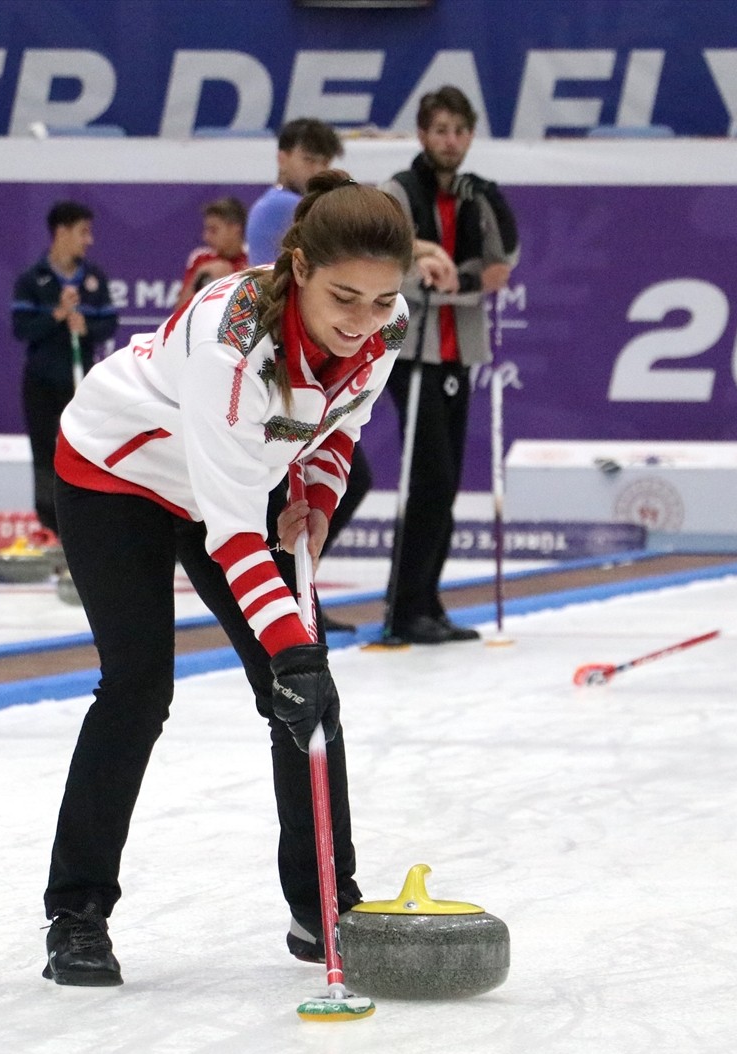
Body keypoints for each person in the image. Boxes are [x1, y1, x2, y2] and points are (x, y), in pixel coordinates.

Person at [41, 171, 413, 987]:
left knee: (305, 703)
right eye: (344, 299)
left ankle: (325, 905)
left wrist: (315, 496)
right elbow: (235, 531)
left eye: (381, 303)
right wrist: (298, 656)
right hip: (118, 474)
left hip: (228, 479)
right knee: (141, 685)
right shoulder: (233, 344)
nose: (362, 324)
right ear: (300, 268)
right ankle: (76, 913)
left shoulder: (384, 326)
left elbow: (339, 424)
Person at [381, 86, 520, 644]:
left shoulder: (474, 195)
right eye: (440, 130)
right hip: (410, 349)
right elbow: (381, 256)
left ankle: (427, 601)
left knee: (447, 482)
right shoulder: (398, 191)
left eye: (460, 131)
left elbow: (502, 264)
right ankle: (404, 605)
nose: (450, 141)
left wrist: (458, 277)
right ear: (422, 134)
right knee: (430, 478)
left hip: (458, 350)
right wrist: (427, 270)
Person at [248, 118, 370, 632]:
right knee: (294, 491)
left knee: (315, 488)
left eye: (325, 162)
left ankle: (299, 590)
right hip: (280, 360)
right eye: (310, 160)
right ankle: (291, 593)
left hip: (294, 356)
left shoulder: (281, 209)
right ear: (282, 157)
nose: (317, 170)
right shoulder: (278, 208)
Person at [11, 200, 117, 536]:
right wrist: (56, 314)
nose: (89, 240)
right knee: (44, 452)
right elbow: (21, 328)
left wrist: (86, 328)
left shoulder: (94, 279)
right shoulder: (33, 279)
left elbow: (109, 323)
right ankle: (49, 527)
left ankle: (86, 525)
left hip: (81, 383)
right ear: (62, 232)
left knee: (86, 451)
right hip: (42, 381)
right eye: (83, 232)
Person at [175, 196, 249, 311]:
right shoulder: (201, 258)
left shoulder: (254, 260)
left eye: (213, 230)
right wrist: (199, 276)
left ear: (235, 229)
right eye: (206, 230)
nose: (206, 237)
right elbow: (179, 312)